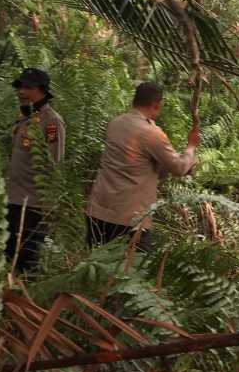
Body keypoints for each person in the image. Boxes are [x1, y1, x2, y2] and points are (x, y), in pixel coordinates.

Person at [85, 82, 200, 252]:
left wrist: (165, 167)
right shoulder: (151, 134)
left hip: (98, 211)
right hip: (129, 219)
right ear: (156, 104)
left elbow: (140, 166)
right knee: (133, 274)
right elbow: (179, 167)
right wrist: (191, 147)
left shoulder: (115, 124)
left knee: (94, 271)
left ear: (133, 102)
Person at [5, 68, 65, 271]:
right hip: (13, 199)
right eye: (20, 86)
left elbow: (53, 164)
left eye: (28, 87)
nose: (22, 91)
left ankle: (25, 299)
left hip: (33, 204)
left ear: (43, 91)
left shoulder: (51, 122)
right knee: (8, 254)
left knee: (27, 259)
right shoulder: (24, 118)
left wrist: (48, 207)